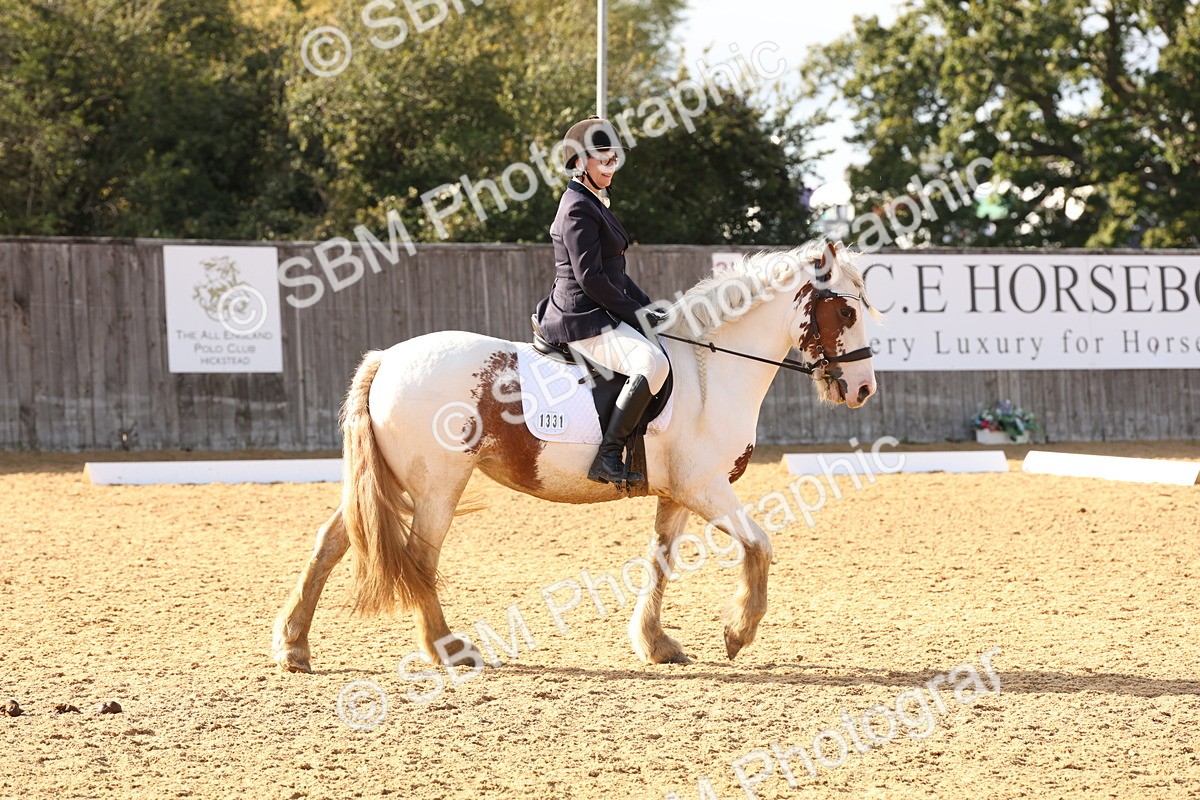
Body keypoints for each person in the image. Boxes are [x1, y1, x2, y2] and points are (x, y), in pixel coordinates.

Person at [533, 116, 669, 487]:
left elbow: (615, 274)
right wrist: (636, 315)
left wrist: (647, 308)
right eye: (603, 159)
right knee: (652, 363)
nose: (610, 167)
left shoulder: (594, 202)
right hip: (580, 316)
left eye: (614, 159)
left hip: (598, 310)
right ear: (579, 162)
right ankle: (608, 456)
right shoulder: (577, 206)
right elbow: (590, 278)